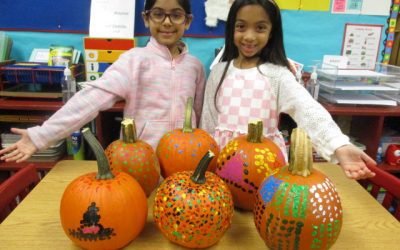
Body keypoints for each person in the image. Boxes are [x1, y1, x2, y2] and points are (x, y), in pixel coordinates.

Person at [0, 0, 205, 163]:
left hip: (183, 161)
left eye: (176, 15)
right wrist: (41, 135)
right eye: (158, 14)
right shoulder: (133, 61)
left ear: (187, 21)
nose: (167, 22)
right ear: (146, 18)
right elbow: (91, 99)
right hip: (141, 160)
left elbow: (198, 117)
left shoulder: (195, 67)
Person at [199, 0, 375, 180]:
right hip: (222, 163)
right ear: (231, 30)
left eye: (260, 28)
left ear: (271, 32)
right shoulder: (218, 72)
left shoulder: (277, 75)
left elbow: (307, 109)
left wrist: (339, 145)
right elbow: (208, 122)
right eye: (241, 27)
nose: (249, 36)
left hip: (263, 166)